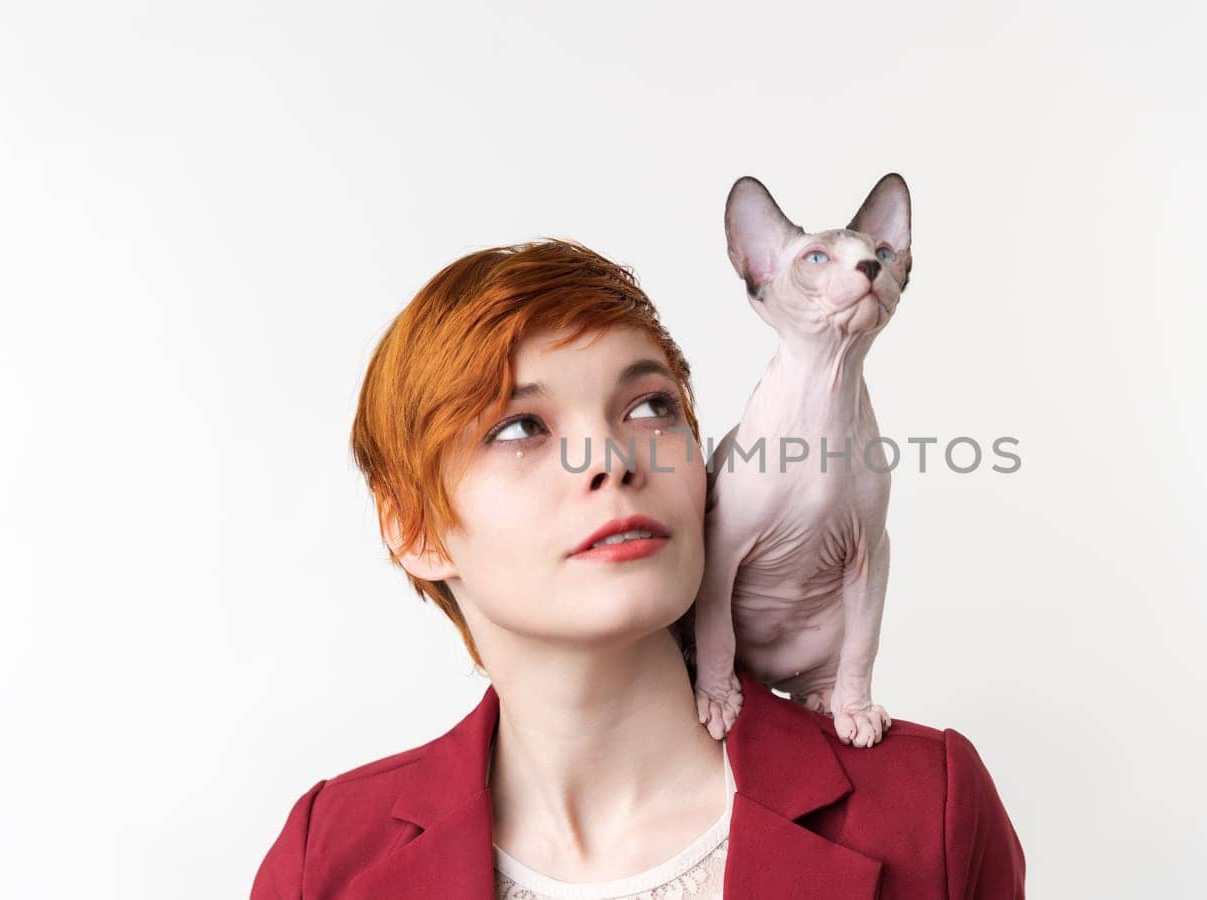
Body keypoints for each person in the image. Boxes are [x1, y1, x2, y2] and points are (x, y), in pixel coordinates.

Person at [249, 238, 1027, 899]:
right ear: (414, 527)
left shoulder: (931, 809)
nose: (613, 461)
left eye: (652, 408)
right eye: (522, 426)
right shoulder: (327, 861)